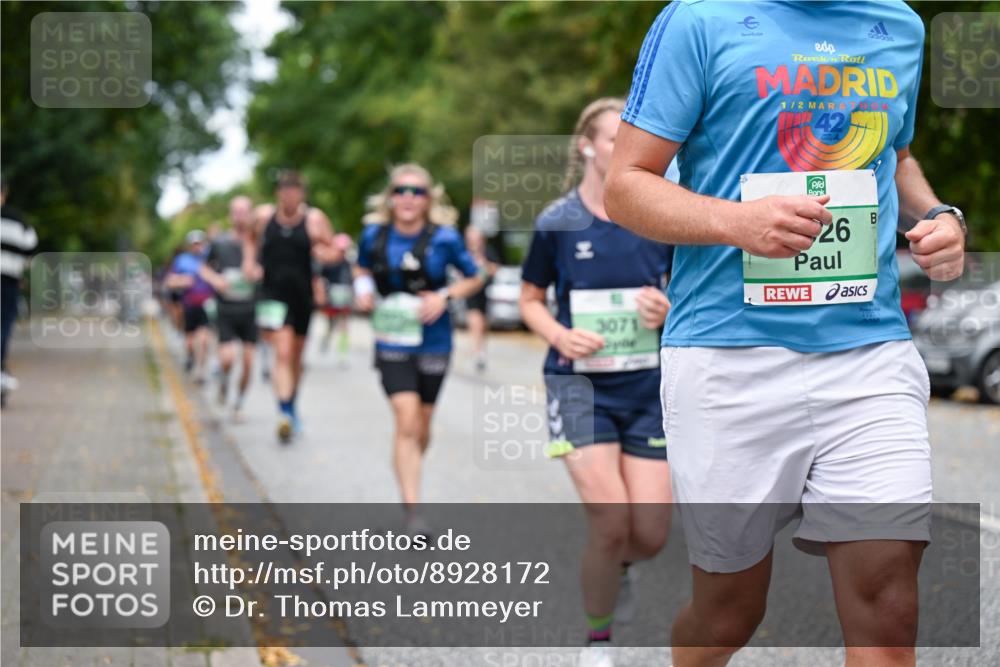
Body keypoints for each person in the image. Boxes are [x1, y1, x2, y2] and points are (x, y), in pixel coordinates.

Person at [605, 3, 966, 666]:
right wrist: (735, 222)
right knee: (728, 614)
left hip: (869, 353)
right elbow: (625, 186)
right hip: (727, 355)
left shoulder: (899, 23)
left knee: (888, 605)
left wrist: (938, 214)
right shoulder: (699, 20)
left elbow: (896, 155)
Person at [519, 98, 673, 667]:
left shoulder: (660, 215)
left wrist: (668, 308)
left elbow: (688, 294)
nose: (627, 145)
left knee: (650, 534)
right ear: (587, 146)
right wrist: (559, 335)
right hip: (578, 388)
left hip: (647, 390)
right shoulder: (556, 222)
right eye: (614, 137)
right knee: (610, 522)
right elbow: (529, 300)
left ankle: (620, 568)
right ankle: (598, 643)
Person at [354, 163, 483, 533]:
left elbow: (476, 276)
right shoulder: (373, 235)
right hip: (392, 339)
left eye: (417, 191)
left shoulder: (445, 238)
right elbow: (362, 269)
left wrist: (445, 296)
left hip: (434, 341)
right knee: (406, 418)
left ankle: (406, 459)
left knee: (421, 428)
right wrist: (363, 290)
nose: (408, 198)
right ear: (390, 198)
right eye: (401, 190)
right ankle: (413, 510)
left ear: (428, 200)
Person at [245, 170, 340, 443]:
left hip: (302, 296)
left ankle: (291, 402)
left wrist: (326, 254)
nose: (290, 195)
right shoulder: (264, 217)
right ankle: (284, 412)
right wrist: (250, 263)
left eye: (295, 190)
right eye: (285, 190)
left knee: (297, 357)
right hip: (272, 294)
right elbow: (249, 239)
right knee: (283, 352)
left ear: (302, 194)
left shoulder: (314, 219)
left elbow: (334, 251)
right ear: (278, 193)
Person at [199, 196, 259, 419]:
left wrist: (258, 273)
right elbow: (204, 269)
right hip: (226, 309)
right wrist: (216, 280)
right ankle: (224, 383)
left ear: (251, 214)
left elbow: (269, 267)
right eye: (237, 212)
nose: (240, 217)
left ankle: (239, 404)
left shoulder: (258, 243)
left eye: (244, 212)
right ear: (230, 215)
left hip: (250, 310)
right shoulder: (220, 243)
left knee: (249, 362)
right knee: (227, 359)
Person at [0, 177, 38, 404]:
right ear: (4, 193)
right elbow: (30, 249)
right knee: (4, 325)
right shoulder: (18, 221)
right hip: (7, 281)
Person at [166, 230, 214, 383]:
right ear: (189, 245)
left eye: (199, 243)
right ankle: (191, 357)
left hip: (207, 305)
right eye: (194, 244)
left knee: (204, 341)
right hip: (188, 305)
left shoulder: (210, 258)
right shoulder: (181, 260)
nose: (197, 247)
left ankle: (201, 371)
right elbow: (170, 282)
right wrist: (183, 281)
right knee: (190, 342)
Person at [462, 225, 500, 372]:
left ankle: (480, 349)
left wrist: (483, 263)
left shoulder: (487, 251)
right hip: (470, 289)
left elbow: (496, 268)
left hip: (485, 290)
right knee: (474, 317)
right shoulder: (464, 252)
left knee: (482, 321)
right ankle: (477, 350)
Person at [319, 233, 355, 362]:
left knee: (344, 326)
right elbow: (322, 280)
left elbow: (352, 280)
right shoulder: (329, 264)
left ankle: (342, 353)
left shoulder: (348, 264)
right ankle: (326, 340)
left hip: (344, 298)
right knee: (330, 325)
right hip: (331, 299)